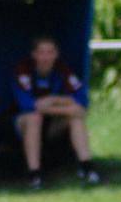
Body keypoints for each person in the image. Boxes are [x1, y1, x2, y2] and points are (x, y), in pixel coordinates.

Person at [12, 35, 100, 189]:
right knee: (34, 118)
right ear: (34, 55)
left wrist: (52, 100)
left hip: (51, 128)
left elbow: (81, 103)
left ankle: (87, 168)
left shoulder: (63, 71)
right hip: (19, 126)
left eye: (50, 52)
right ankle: (34, 175)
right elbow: (27, 105)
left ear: (56, 54)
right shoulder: (23, 71)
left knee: (76, 116)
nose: (46, 57)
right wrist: (64, 102)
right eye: (41, 52)